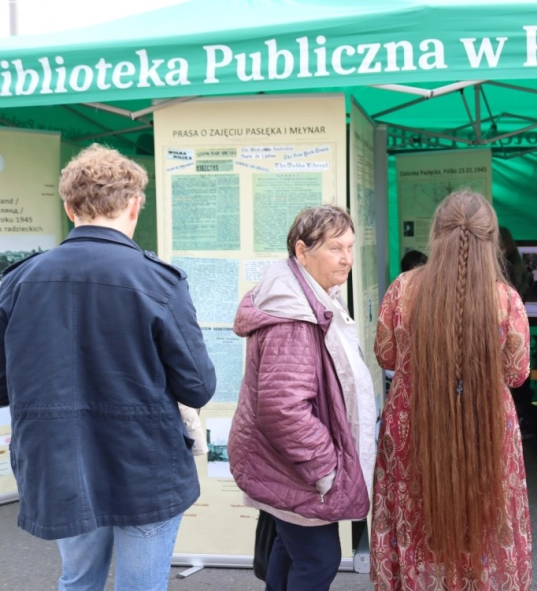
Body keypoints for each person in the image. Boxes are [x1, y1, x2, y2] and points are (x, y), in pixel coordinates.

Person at [0, 144, 216, 591]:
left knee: (78, 581)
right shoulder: (158, 280)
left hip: (58, 463)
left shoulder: (17, 281)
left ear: (67, 206)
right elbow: (197, 387)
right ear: (135, 204)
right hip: (145, 465)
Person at [371, 191, 532, 590]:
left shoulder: (403, 288)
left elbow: (386, 356)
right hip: (486, 427)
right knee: (484, 521)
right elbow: (516, 374)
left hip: (414, 426)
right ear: (490, 239)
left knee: (416, 521)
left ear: (436, 234)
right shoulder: (505, 299)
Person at [228, 206, 376, 591]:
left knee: (291, 551)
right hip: (299, 470)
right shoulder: (294, 316)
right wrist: (325, 470)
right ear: (301, 250)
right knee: (318, 559)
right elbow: (283, 408)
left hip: (289, 467)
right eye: (334, 248)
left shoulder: (312, 296)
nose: (346, 258)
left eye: (349, 247)